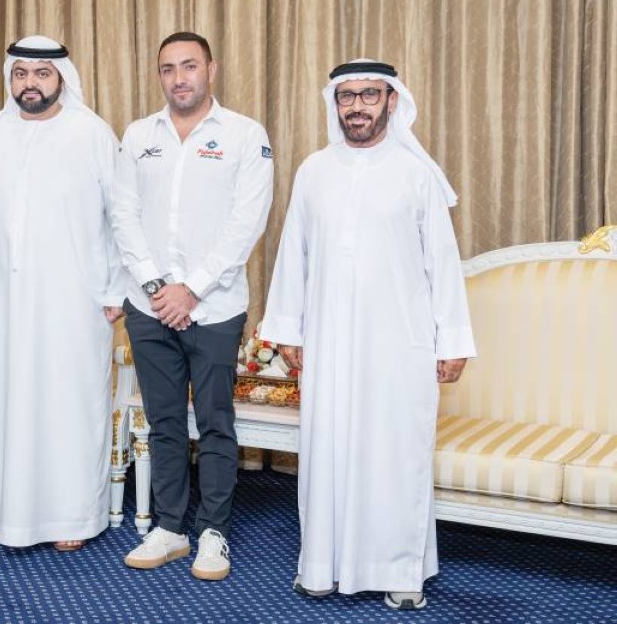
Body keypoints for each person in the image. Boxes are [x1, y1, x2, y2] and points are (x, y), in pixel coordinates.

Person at [259, 58, 476, 610]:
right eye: (347, 96)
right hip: (328, 341)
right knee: (327, 450)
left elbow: (442, 262)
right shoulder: (314, 170)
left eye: (369, 95)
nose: (356, 107)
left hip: (399, 344)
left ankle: (400, 572)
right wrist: (287, 329)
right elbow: (292, 254)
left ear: (391, 101)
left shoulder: (416, 174)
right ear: (335, 103)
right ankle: (321, 566)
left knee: (394, 454)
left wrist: (452, 340)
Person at [0, 35, 125, 551]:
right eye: (20, 73)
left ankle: (72, 518)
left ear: (61, 78)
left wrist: (117, 288)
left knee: (66, 403)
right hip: (2, 298)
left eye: (41, 74)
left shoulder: (92, 133)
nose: (30, 83)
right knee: (2, 398)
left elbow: (121, 216)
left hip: (73, 298)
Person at [111, 32, 275, 580]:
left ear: (211, 69)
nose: (178, 78)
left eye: (189, 66)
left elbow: (246, 223)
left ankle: (213, 532)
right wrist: (158, 286)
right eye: (168, 69)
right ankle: (170, 528)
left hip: (216, 308)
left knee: (215, 424)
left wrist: (193, 289)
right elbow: (123, 214)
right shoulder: (139, 135)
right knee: (163, 422)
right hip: (149, 305)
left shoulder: (245, 135)